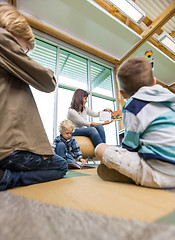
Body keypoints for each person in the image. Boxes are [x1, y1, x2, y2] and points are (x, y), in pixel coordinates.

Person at [0, 3, 68, 190]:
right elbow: (49, 82)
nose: (25, 53)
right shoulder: (2, 37)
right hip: (9, 148)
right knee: (60, 165)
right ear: (15, 31)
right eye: (25, 49)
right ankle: (4, 178)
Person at [95, 56, 175, 189]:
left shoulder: (133, 106)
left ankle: (128, 175)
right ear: (154, 81)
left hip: (158, 175)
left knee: (100, 148)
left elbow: (130, 147)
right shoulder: (169, 99)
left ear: (122, 94)